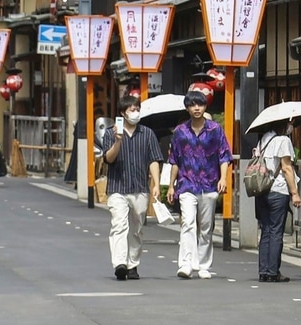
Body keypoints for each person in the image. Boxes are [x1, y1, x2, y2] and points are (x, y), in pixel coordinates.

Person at [166, 89, 232, 280]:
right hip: (187, 184)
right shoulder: (180, 132)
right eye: (193, 105)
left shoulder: (215, 130)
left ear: (205, 107)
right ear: (187, 108)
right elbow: (174, 160)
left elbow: (224, 156)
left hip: (210, 183)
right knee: (187, 223)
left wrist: (223, 178)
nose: (197, 108)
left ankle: (203, 264)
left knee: (206, 226)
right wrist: (171, 185)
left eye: (200, 104)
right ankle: (186, 263)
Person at [98, 95, 163, 280]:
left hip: (140, 187)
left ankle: (133, 263)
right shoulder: (111, 133)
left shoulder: (148, 133)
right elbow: (108, 159)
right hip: (117, 187)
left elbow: (153, 159)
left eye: (137, 109)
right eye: (131, 110)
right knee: (119, 225)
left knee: (136, 228)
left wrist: (156, 184)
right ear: (122, 113)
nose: (135, 113)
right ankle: (120, 263)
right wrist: (118, 141)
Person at [255, 118, 301, 283]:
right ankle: (273, 271)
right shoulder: (283, 140)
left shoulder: (264, 139)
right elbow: (286, 168)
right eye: (290, 123)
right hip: (278, 189)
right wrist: (294, 192)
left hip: (262, 189)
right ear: (283, 124)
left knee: (266, 230)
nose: (291, 126)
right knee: (276, 231)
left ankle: (264, 271)